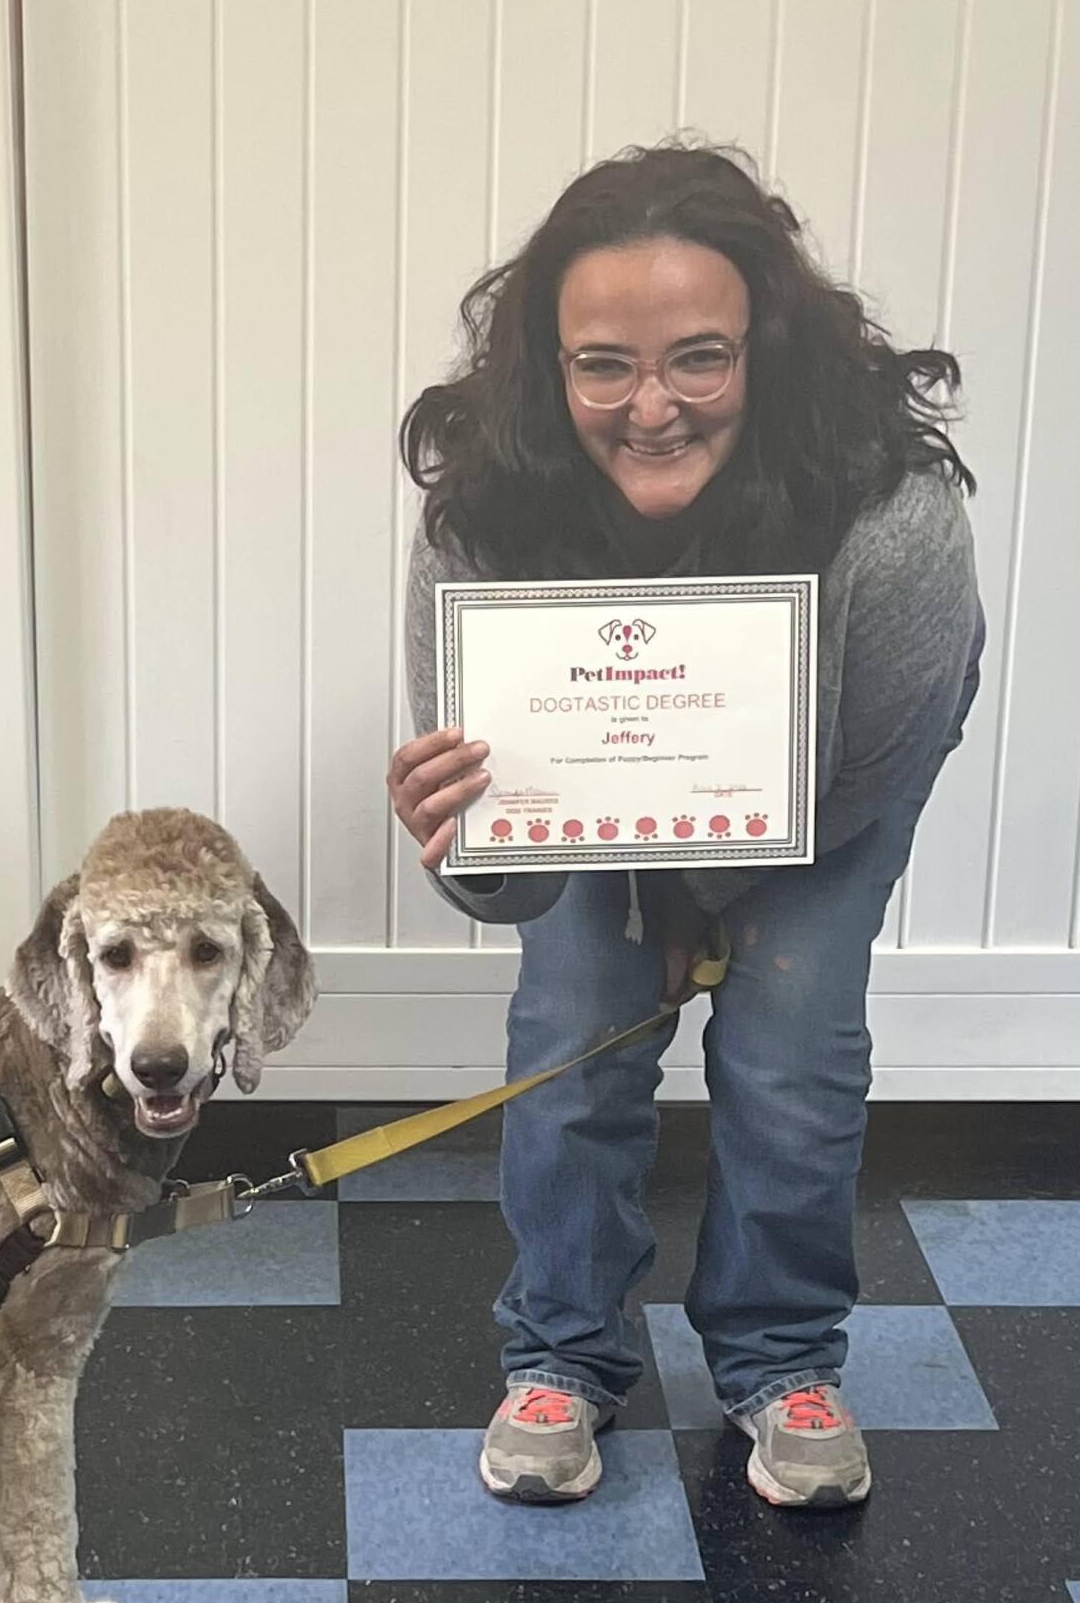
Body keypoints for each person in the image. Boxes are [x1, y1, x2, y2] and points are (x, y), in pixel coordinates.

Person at [388, 142, 983, 1511]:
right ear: (551, 369)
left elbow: (866, 776)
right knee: (577, 1024)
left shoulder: (892, 517)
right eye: (605, 365)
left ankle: (782, 1362)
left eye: (699, 359)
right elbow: (507, 884)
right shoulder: (483, 513)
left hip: (832, 788)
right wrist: (470, 849)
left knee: (791, 1031)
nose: (650, 406)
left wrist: (698, 913)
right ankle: (562, 1356)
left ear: (763, 353)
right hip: (606, 808)